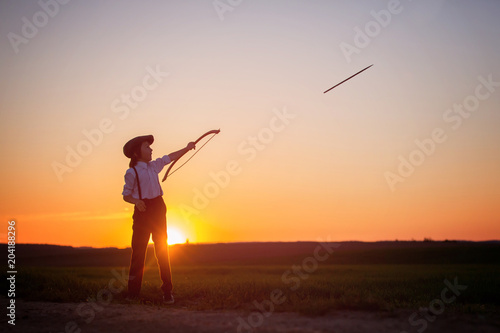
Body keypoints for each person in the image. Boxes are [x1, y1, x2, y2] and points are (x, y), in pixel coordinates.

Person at [122, 134, 195, 304]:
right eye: (146, 147)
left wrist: (187, 147)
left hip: (158, 209)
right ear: (136, 153)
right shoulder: (132, 172)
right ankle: (133, 294)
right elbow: (126, 195)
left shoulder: (154, 166)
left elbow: (170, 157)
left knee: (162, 250)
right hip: (142, 212)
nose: (151, 149)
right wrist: (137, 201)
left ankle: (167, 291)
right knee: (138, 254)